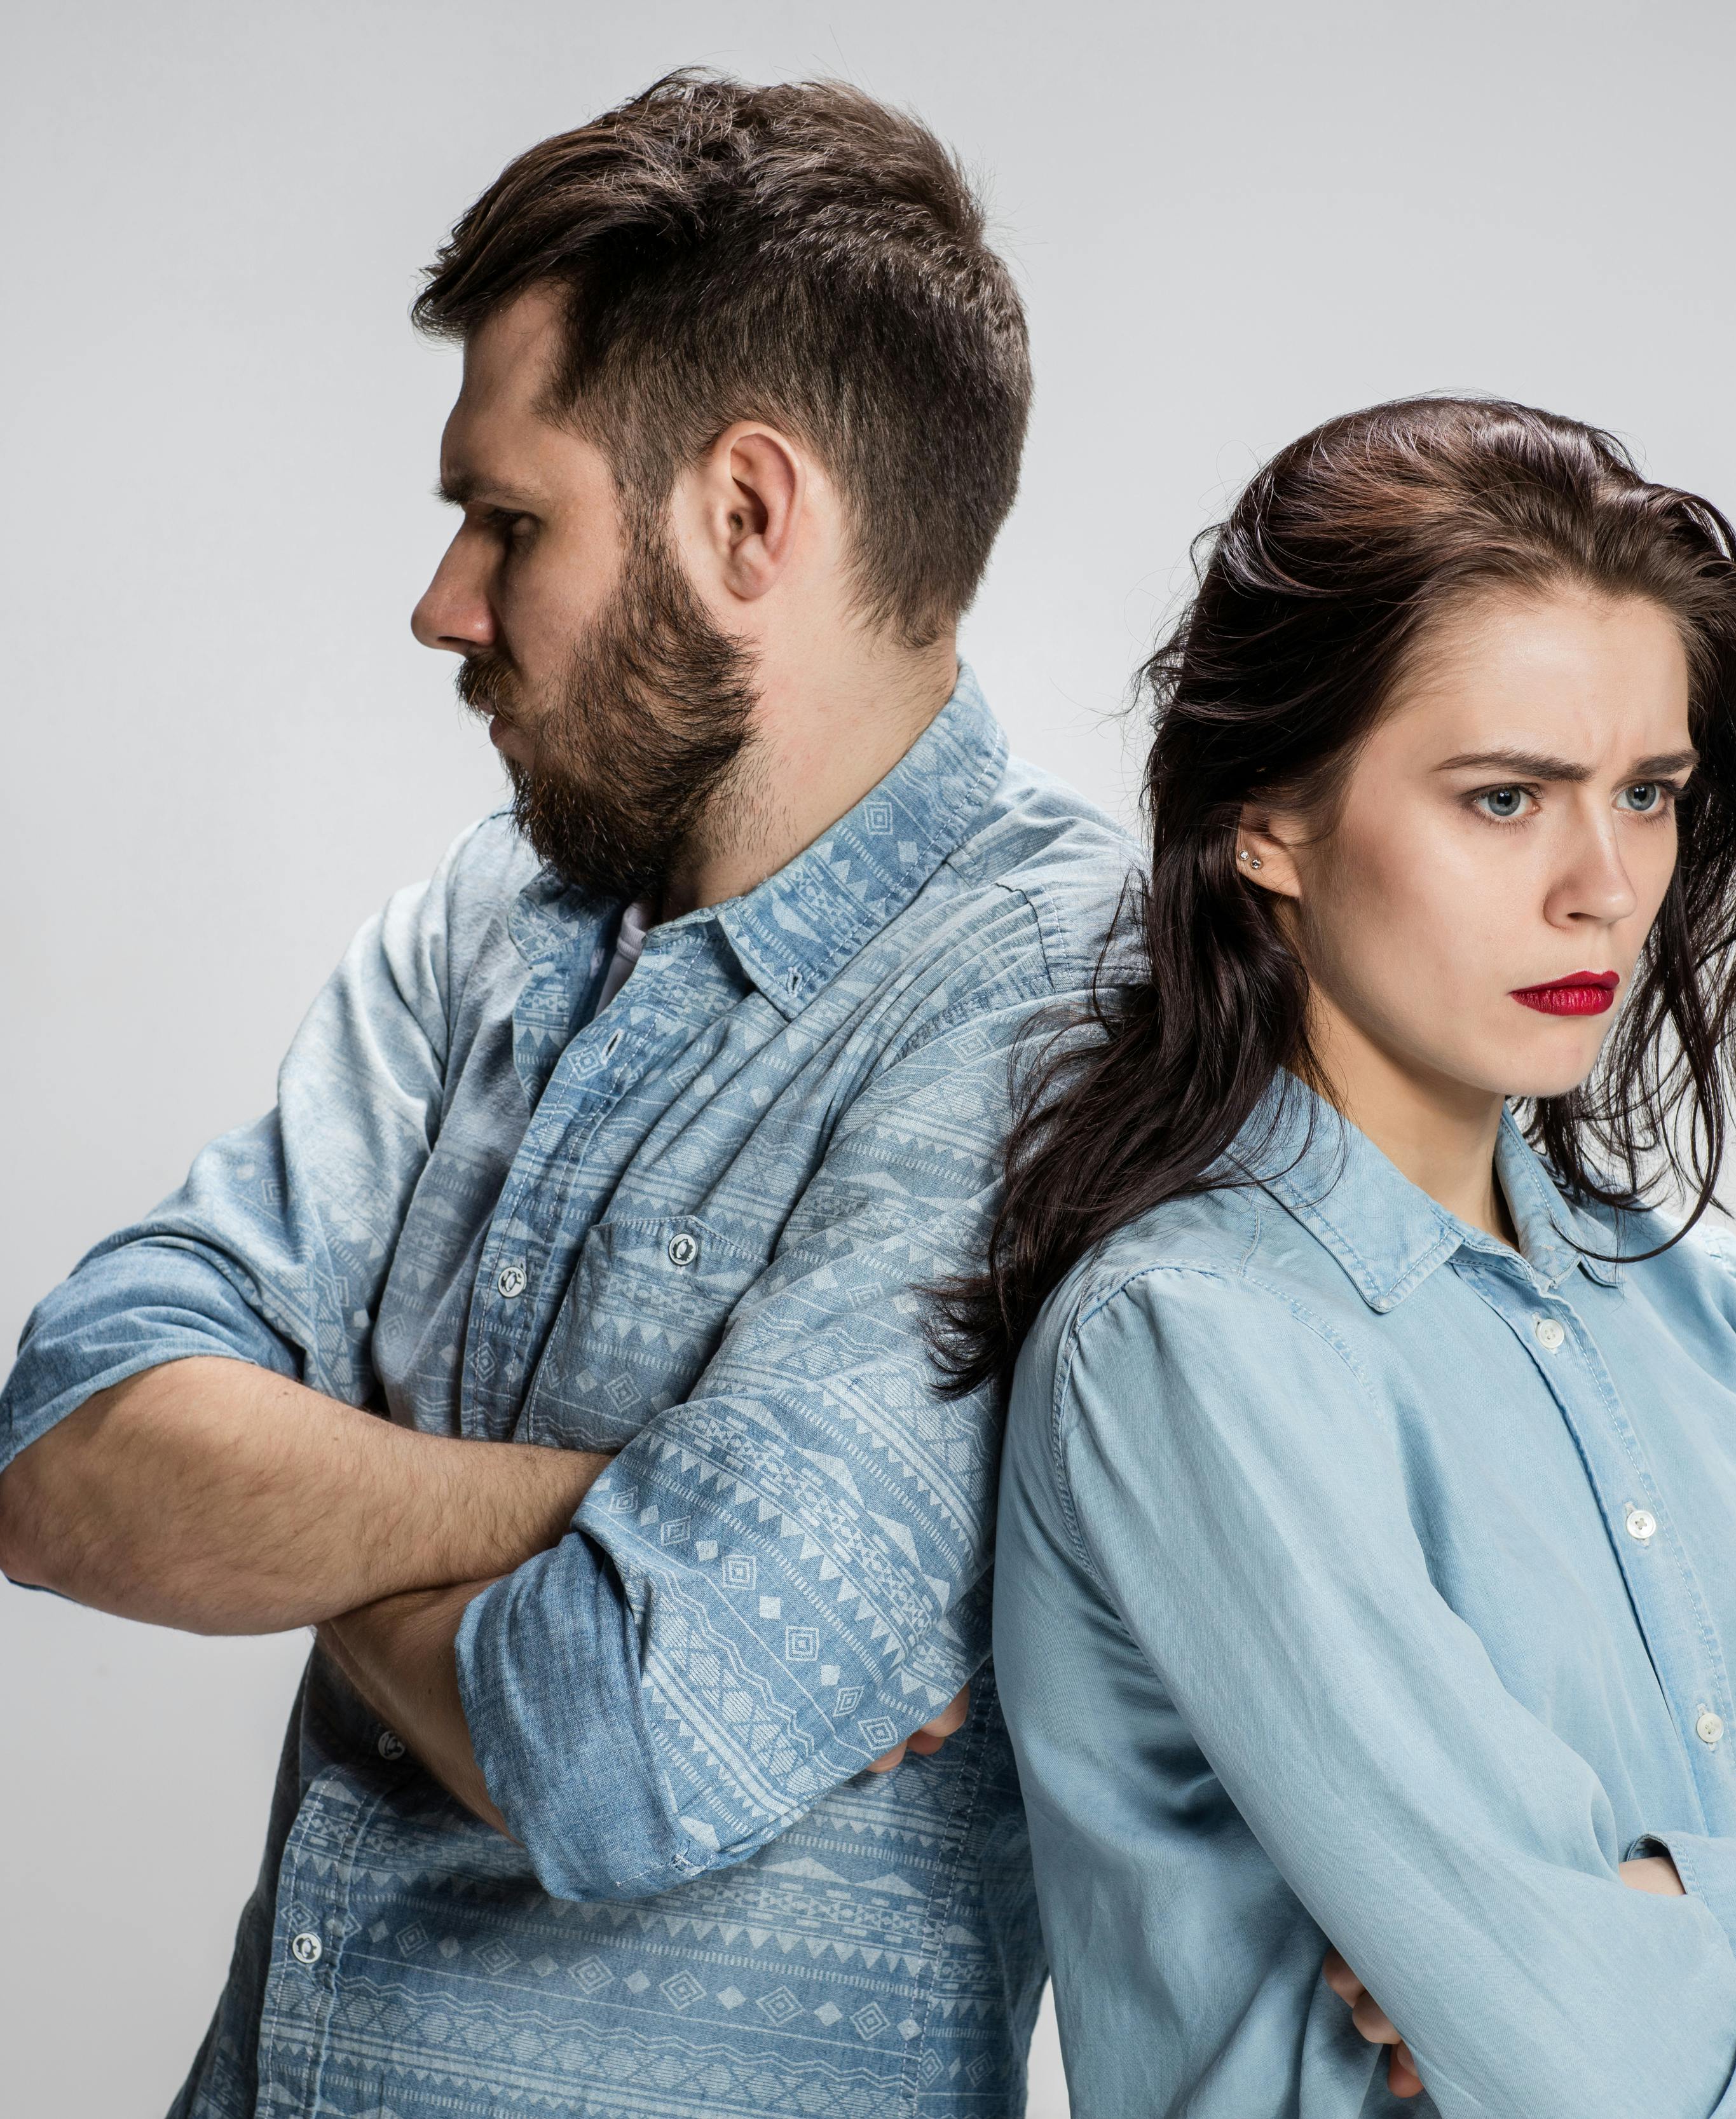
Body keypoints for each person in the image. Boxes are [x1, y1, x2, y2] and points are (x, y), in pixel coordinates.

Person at [0, 71, 1130, 2119]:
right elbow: (72, 1457)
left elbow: (621, 1725)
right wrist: (614, 1502)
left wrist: (314, 1501)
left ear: (749, 515)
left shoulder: (1062, 1002)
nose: (445, 602)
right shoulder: (488, 917)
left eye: (510, 520)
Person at [936, 397, 1736, 2116]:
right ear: (1269, 819)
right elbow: (1598, 2069)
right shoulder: (1185, 1351)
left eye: (1648, 794)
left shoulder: (1704, 1323)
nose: (1605, 887)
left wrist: (1683, 1909)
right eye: (1506, 799)